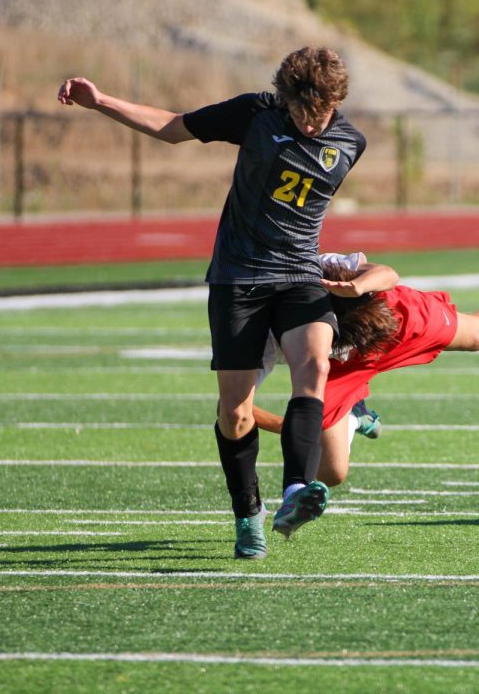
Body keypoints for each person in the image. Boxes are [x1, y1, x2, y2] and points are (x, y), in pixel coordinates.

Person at [58, 47, 365, 559]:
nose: (309, 124)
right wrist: (100, 102)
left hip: (299, 276)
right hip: (239, 279)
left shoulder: (352, 142)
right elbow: (173, 127)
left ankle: (295, 492)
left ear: (337, 102)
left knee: (312, 368)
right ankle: (248, 512)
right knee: (235, 412)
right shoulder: (255, 115)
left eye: (320, 113)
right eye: (298, 112)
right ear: (284, 99)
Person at [236, 251, 479, 554]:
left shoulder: (306, 265)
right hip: (330, 367)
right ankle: (352, 417)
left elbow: (386, 273)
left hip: (387, 319)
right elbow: (238, 408)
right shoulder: (261, 336)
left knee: (476, 335)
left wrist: (357, 286)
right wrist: (301, 425)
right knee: (333, 473)